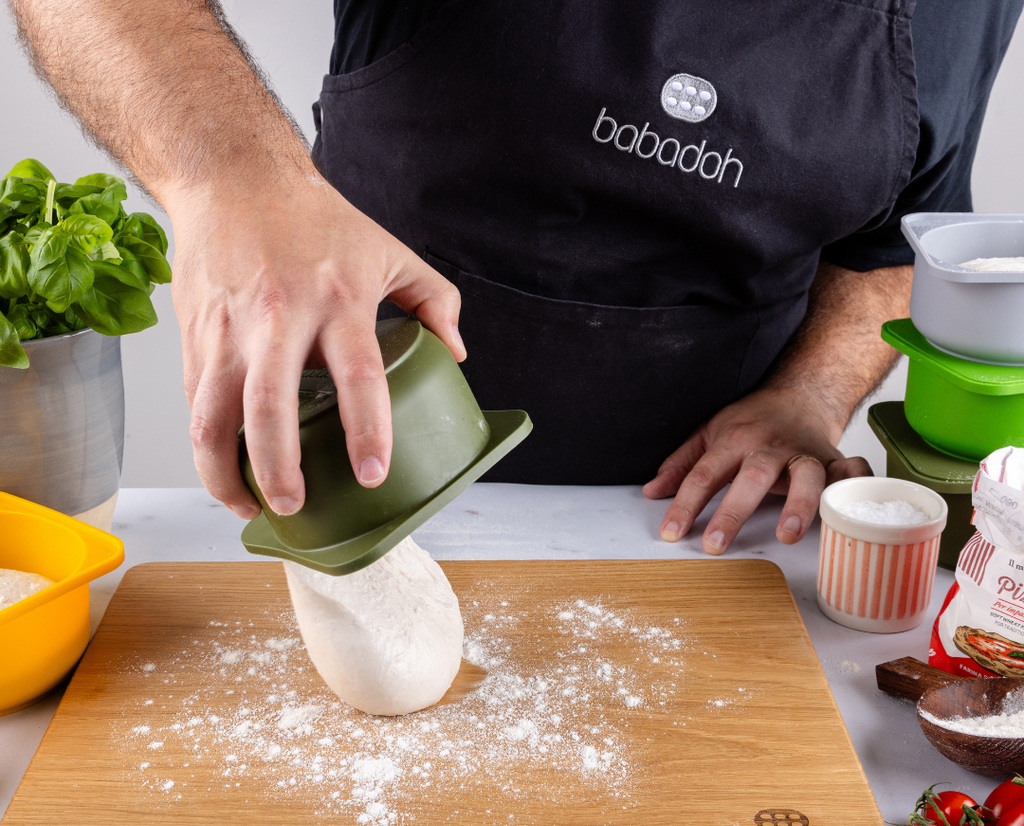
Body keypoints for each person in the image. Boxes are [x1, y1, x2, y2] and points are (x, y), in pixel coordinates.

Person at [11, 0, 1023, 553]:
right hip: (346, 482)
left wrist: (809, 394)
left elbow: (899, 240)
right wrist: (232, 181)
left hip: (706, 533)